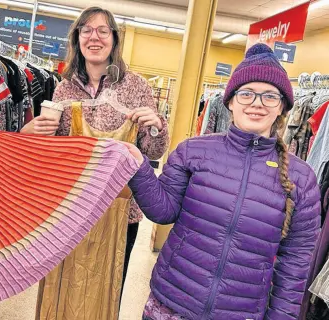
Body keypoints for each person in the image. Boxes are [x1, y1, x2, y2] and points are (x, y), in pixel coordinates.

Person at [123, 43, 321, 320]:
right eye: (247, 93)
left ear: (283, 107)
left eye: (269, 96)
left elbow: (295, 263)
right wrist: (138, 166)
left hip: (240, 313)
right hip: (171, 302)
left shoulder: (302, 179)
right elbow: (163, 211)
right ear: (230, 101)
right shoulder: (193, 151)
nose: (257, 103)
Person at [22, 6, 169, 320]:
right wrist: (33, 133)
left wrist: (155, 125)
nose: (95, 37)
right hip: (69, 207)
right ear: (77, 38)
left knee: (107, 289)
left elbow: (153, 152)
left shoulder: (136, 87)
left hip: (120, 210)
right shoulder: (63, 89)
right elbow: (52, 156)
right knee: (61, 283)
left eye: (103, 30)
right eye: (86, 30)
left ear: (114, 39)